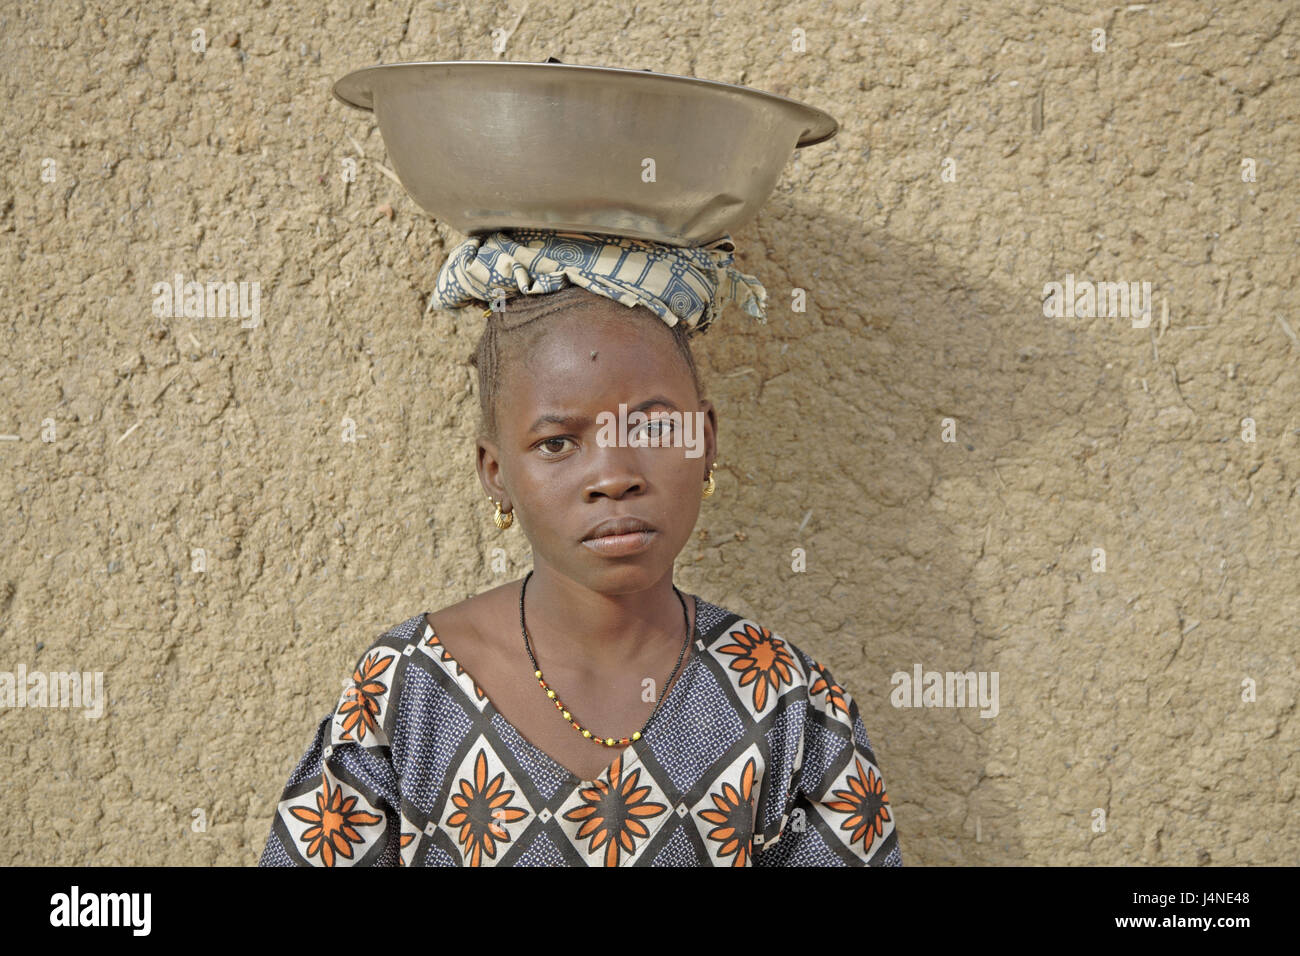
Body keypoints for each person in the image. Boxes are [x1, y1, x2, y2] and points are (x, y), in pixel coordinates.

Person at [258, 230, 901, 866]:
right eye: (557, 443)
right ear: (496, 473)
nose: (614, 475)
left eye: (651, 426)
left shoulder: (789, 704)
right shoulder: (407, 692)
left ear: (705, 439)